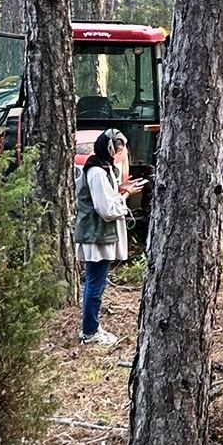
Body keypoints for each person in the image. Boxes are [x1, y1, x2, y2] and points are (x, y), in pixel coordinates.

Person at [73, 129, 131, 347]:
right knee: (95, 285)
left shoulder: (103, 168)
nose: (118, 154)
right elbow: (105, 209)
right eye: (116, 149)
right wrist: (125, 196)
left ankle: (92, 327)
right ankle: (89, 331)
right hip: (96, 235)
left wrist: (121, 189)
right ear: (108, 148)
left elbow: (106, 196)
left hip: (98, 234)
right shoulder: (97, 171)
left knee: (94, 283)